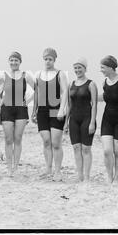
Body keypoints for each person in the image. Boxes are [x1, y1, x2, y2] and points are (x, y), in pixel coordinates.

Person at [0, 52, 35, 176]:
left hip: (21, 110)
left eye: (16, 60)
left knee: (17, 139)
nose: (13, 63)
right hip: (6, 109)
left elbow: (37, 91)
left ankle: (16, 167)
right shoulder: (3, 76)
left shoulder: (26, 76)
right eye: (11, 60)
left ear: (20, 62)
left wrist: (27, 101)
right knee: (8, 139)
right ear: (9, 61)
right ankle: (9, 168)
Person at [31, 48, 68, 182]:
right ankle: (48, 169)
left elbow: (64, 92)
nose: (48, 61)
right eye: (46, 59)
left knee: (56, 143)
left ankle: (57, 171)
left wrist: (62, 109)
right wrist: (34, 111)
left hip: (56, 110)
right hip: (42, 111)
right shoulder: (38, 75)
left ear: (54, 60)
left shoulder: (60, 74)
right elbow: (36, 94)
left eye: (50, 59)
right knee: (46, 141)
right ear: (43, 59)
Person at [66, 58, 98, 183]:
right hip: (74, 119)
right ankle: (79, 175)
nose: (77, 70)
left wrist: (92, 122)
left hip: (87, 119)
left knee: (86, 149)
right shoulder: (71, 84)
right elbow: (69, 105)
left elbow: (94, 104)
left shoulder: (91, 84)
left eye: (80, 67)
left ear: (85, 69)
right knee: (76, 148)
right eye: (75, 68)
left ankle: (87, 176)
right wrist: (65, 123)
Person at [100, 55, 118, 184]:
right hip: (107, 119)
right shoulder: (104, 82)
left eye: (103, 67)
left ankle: (116, 178)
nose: (101, 70)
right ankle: (109, 176)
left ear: (111, 67)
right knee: (107, 151)